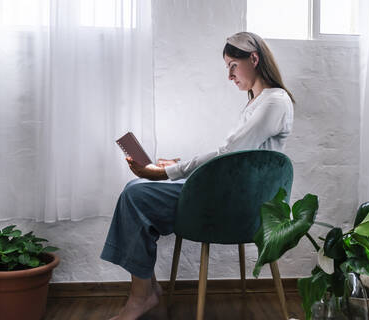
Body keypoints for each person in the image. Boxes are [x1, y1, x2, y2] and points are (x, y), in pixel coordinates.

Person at [101, 31, 295, 320]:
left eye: (233, 65)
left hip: (237, 206)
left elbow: (226, 153)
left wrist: (168, 172)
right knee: (137, 188)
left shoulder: (274, 102)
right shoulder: (260, 102)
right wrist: (175, 167)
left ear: (254, 59)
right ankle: (147, 289)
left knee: (136, 193)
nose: (229, 76)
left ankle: (141, 296)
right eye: (227, 68)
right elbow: (231, 158)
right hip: (227, 193)